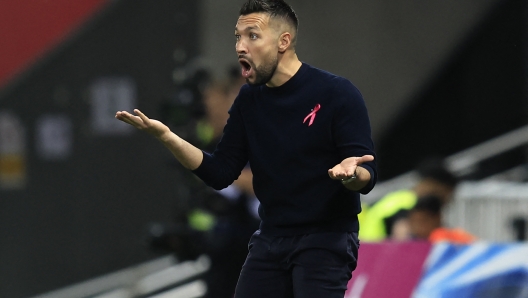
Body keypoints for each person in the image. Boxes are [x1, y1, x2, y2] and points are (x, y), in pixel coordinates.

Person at [115, 0, 377, 297]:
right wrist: (167, 137)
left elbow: (367, 172)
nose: (241, 46)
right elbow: (221, 172)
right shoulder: (249, 100)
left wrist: (352, 174)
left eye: (252, 35)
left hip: (325, 239)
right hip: (270, 238)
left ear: (284, 41)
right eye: (238, 36)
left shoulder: (337, 93)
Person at [359, 157, 457, 242]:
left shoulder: (396, 199)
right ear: (432, 187)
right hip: (379, 257)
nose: (445, 202)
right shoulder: (409, 205)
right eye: (446, 196)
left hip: (367, 254)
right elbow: (402, 237)